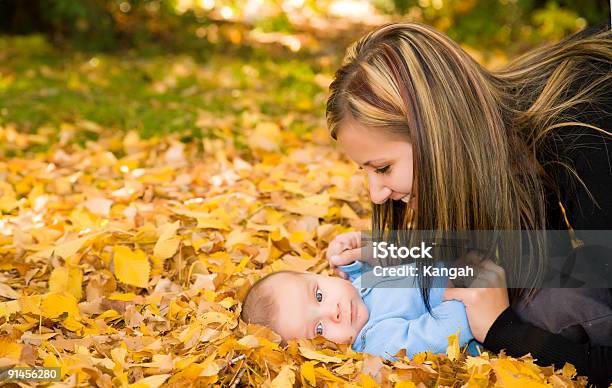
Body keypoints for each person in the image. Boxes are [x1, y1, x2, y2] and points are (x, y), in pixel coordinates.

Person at [324, 21, 612, 386]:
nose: (376, 195)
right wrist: (398, 255)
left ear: (439, 135)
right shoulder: (514, 128)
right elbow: (520, 256)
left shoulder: (590, 146)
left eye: (383, 168)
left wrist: (504, 331)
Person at [240, 260, 478, 360]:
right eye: (319, 329)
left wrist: (354, 262)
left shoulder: (356, 286)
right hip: (482, 299)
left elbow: (381, 275)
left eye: (319, 295)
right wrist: (468, 299)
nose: (333, 312)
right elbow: (438, 334)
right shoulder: (378, 342)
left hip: (462, 265)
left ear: (320, 275)